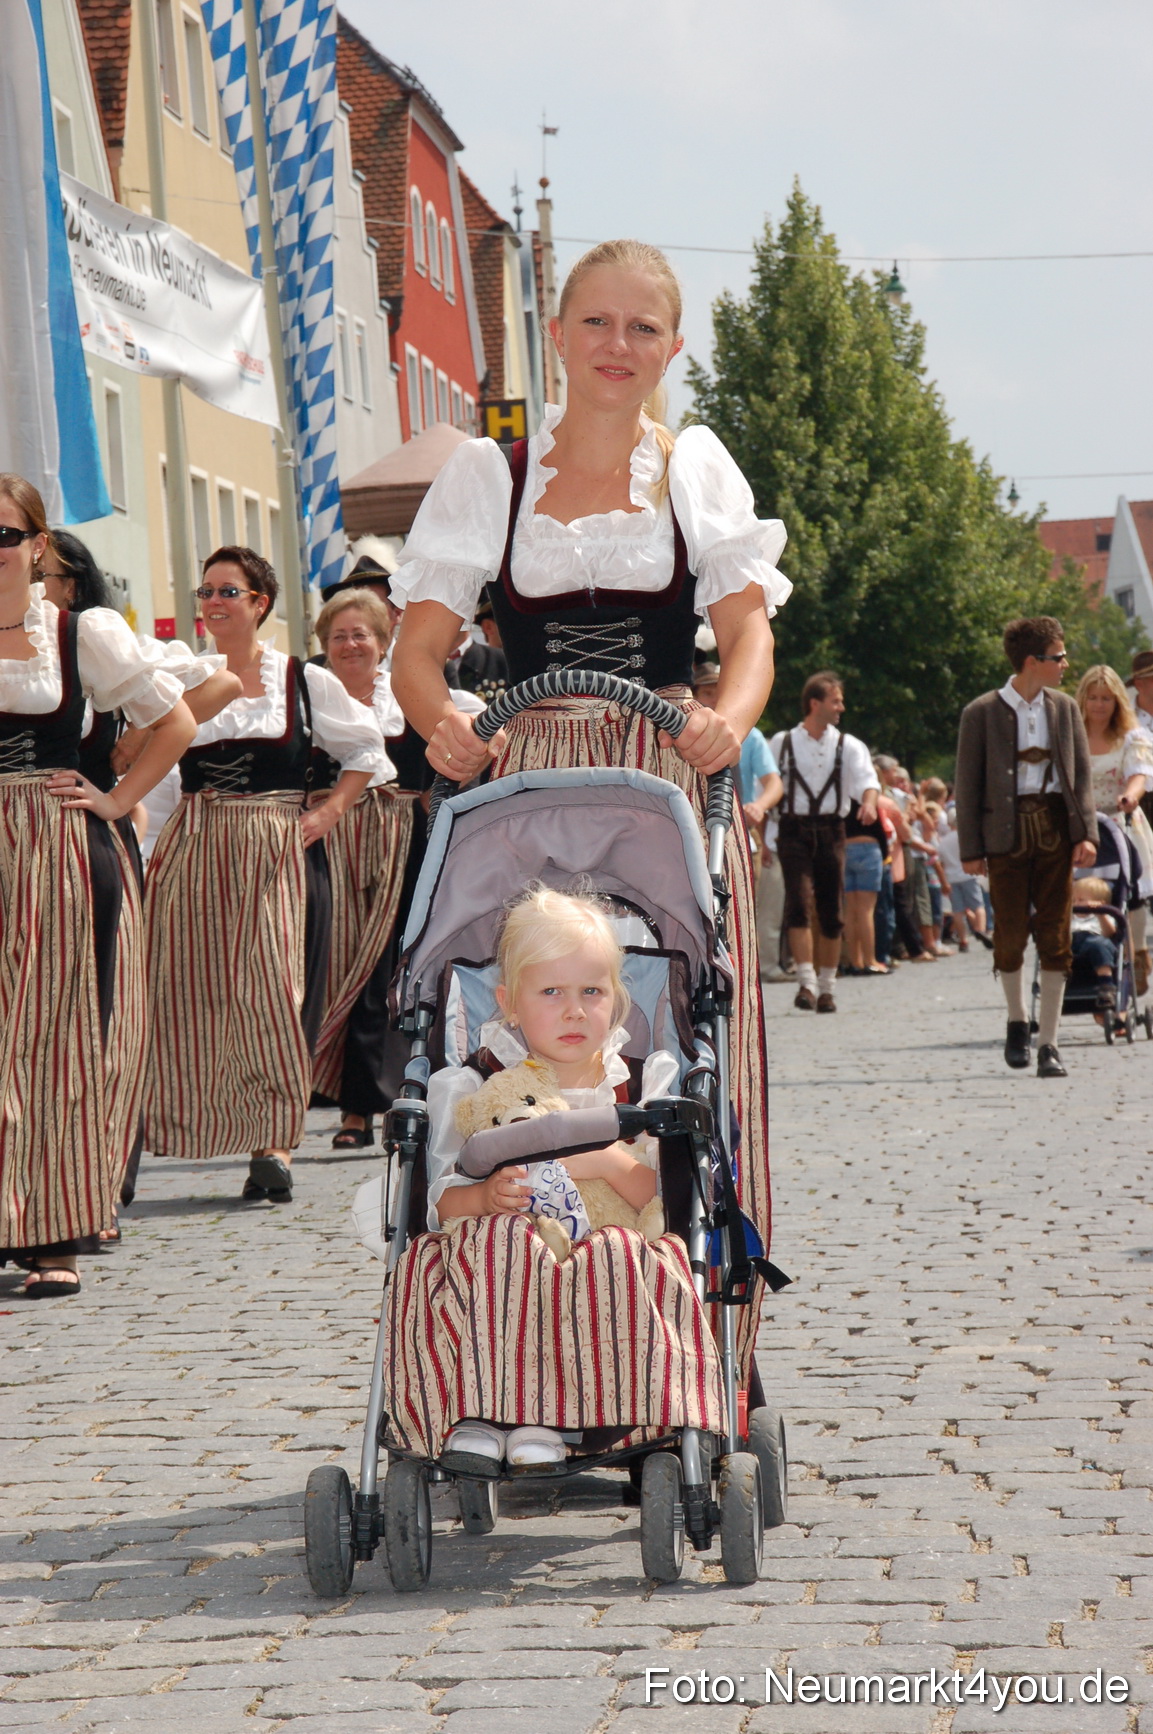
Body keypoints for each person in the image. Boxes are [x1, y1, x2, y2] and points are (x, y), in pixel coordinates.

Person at [389, 238, 789, 1378]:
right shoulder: (489, 473)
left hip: (661, 774)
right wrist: (444, 721)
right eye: (597, 324)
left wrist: (724, 715)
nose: (619, 348)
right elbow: (422, 651)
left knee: (678, 1025)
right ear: (556, 336)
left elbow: (749, 633)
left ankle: (699, 1311)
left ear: (672, 347)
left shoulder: (694, 466)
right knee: (509, 1011)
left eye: (643, 330)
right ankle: (507, 1305)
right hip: (521, 780)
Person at [383, 886, 723, 1473]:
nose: (573, 1010)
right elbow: (436, 1203)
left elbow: (667, 1200)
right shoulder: (476, 1089)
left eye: (591, 992)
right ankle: (486, 1412)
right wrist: (485, 1196)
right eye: (551, 993)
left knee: (618, 1250)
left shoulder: (647, 1081)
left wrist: (606, 1161)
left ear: (616, 999)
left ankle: (569, 1411)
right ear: (509, 1002)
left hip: (610, 1260)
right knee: (499, 1238)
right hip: (505, 1263)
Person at [0, 474, 197, 1297]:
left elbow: (175, 721)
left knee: (59, 1041)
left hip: (55, 848)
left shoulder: (80, 633)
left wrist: (116, 801)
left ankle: (56, 1233)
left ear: (37, 546)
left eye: (4, 535)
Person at [143, 547, 390, 1202]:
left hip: (275, 847)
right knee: (186, 995)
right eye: (206, 591)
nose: (214, 602)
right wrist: (146, 854)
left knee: (274, 992)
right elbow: (163, 778)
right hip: (197, 843)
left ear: (260, 603)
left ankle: (272, 1141)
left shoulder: (299, 680)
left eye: (228, 590)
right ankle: (166, 1127)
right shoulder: (182, 677)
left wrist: (334, 807)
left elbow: (366, 745)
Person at [955, 615, 1097, 1079]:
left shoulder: (1064, 708)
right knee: (1011, 934)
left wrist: (1087, 833)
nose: (1065, 664)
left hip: (1056, 830)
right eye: (1058, 657)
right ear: (1033, 661)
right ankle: (1018, 1019)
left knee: (1057, 936)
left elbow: (1081, 775)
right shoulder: (981, 712)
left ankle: (1049, 1044)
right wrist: (970, 847)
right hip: (1005, 835)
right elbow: (968, 784)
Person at [308, 587, 414, 1146]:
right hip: (323, 833)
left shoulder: (405, 696)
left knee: (377, 968)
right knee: (325, 958)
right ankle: (314, 1082)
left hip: (393, 837)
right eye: (338, 636)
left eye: (360, 635)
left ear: (383, 641)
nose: (350, 645)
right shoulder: (307, 694)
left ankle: (359, 1108)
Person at [768, 671, 880, 1012]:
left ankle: (828, 986)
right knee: (798, 904)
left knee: (832, 909)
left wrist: (871, 802)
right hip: (793, 830)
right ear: (814, 703)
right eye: (836, 700)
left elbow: (867, 780)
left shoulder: (849, 745)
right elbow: (767, 786)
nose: (841, 707)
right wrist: (766, 839)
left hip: (832, 829)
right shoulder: (782, 742)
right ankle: (807, 983)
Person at [1075, 664, 1153, 994]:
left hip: (1120, 822)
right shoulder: (1071, 735)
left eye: (1106, 698)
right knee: (1082, 896)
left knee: (1131, 894)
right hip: (1080, 827)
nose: (1099, 704)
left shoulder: (1131, 737)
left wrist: (1130, 797)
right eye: (1093, 697)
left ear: (1117, 701)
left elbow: (1139, 774)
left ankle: (1135, 955)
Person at [1068, 875, 1120, 1017]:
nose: (1076, 904)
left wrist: (1101, 913)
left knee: (1100, 945)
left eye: (1081, 900)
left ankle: (1106, 984)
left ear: (1100, 903)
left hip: (1094, 940)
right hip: (1071, 942)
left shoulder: (1105, 915)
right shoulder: (1070, 916)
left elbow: (1109, 933)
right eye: (1073, 900)